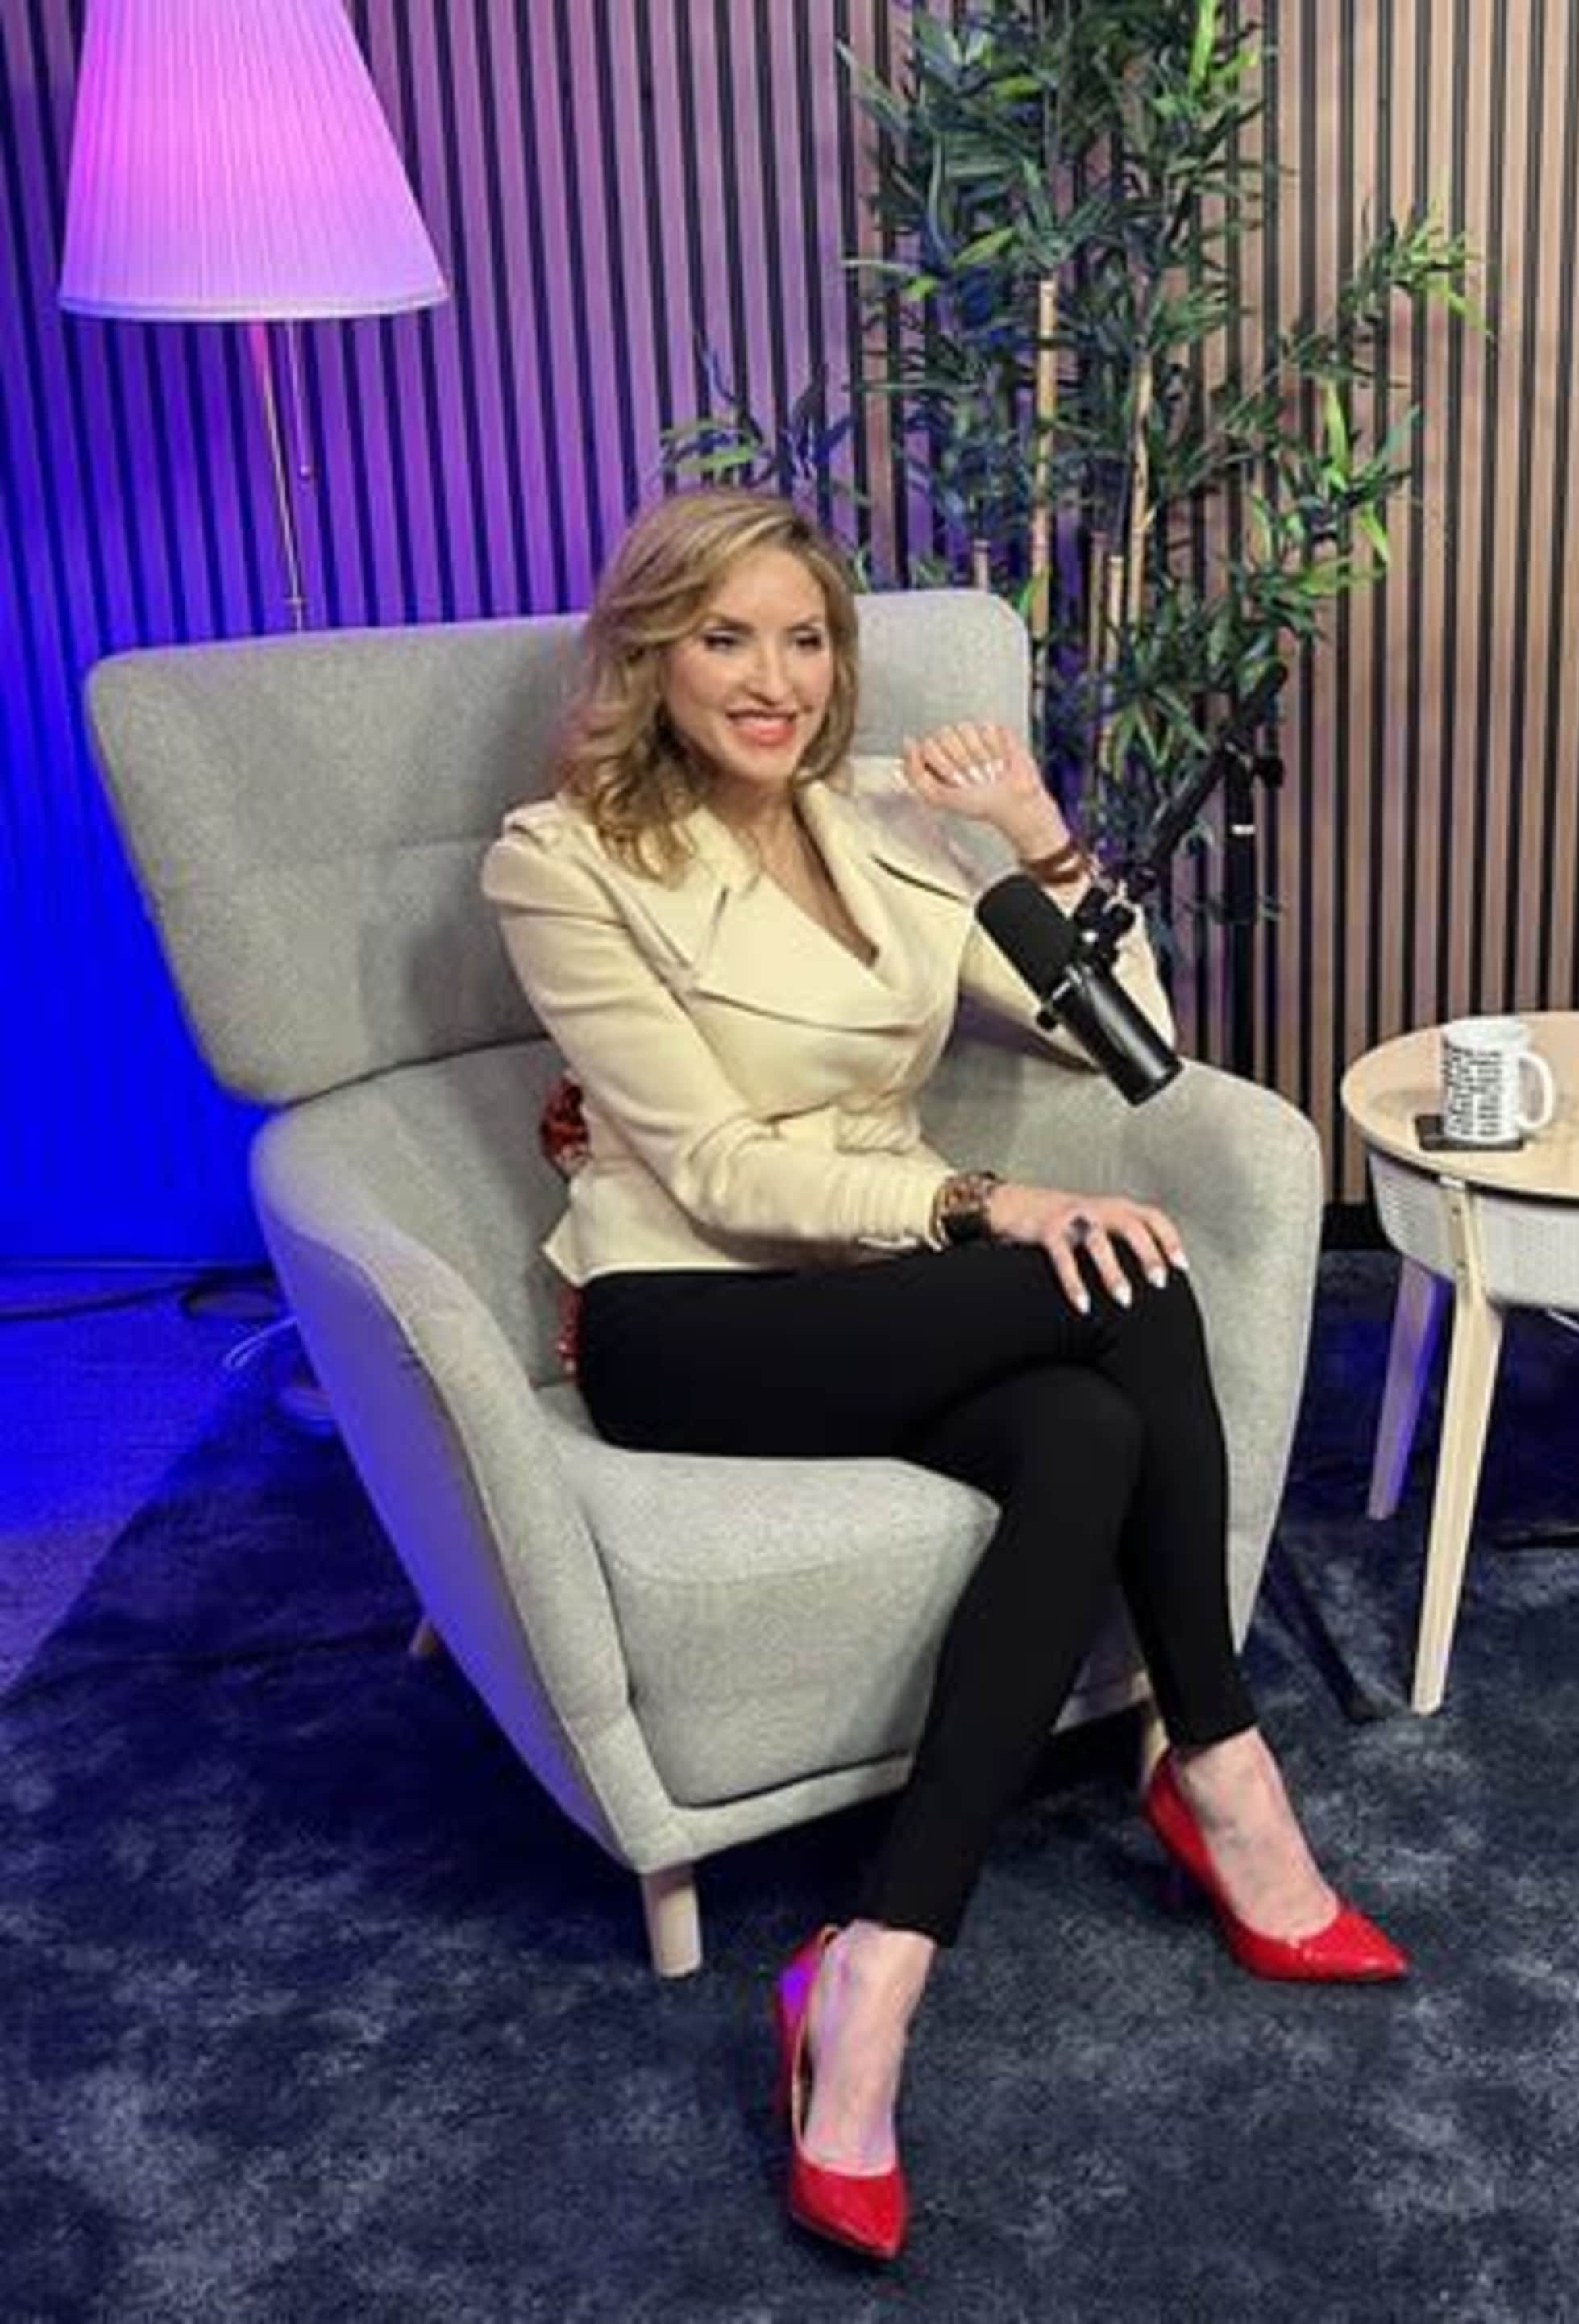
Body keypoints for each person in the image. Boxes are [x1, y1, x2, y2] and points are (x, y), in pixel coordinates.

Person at [482, 489, 1403, 2264]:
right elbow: (723, 1168)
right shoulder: (562, 857)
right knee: (1122, 1281)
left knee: (1081, 1428)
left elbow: (1137, 1051)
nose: (773, 679)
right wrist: (983, 1198)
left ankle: (874, 1964)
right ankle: (1222, 1770)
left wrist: (1038, 840)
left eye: (806, 637)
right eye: (725, 637)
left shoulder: (889, 824)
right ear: (651, 653)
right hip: (687, 1316)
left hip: (881, 1290)